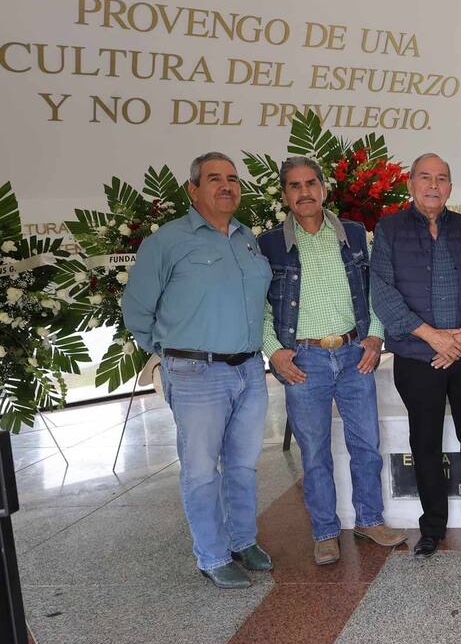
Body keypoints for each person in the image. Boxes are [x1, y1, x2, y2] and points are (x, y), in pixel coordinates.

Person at [123, 152, 273, 589]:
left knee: (244, 465)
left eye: (232, 178)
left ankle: (243, 540)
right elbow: (137, 311)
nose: (226, 186)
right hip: (196, 375)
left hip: (248, 370)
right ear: (193, 190)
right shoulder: (167, 242)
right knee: (202, 469)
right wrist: (174, 355)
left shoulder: (248, 239)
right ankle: (211, 555)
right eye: (214, 179)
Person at [258, 156, 406, 566]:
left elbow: (375, 287)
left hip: (354, 353)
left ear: (324, 189)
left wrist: (375, 336)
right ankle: (325, 531)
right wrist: (275, 351)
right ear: (285, 194)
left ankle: (370, 520)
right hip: (303, 360)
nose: (304, 192)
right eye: (294, 186)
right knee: (316, 451)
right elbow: (260, 307)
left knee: (366, 445)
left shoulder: (353, 235)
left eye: (311, 184)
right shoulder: (270, 244)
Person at [371, 153, 461, 558]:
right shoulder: (390, 230)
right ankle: (432, 529)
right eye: (425, 178)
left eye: (442, 178)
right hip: (417, 356)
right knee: (425, 441)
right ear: (410, 184)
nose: (433, 185)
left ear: (450, 186)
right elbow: (382, 291)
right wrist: (433, 337)